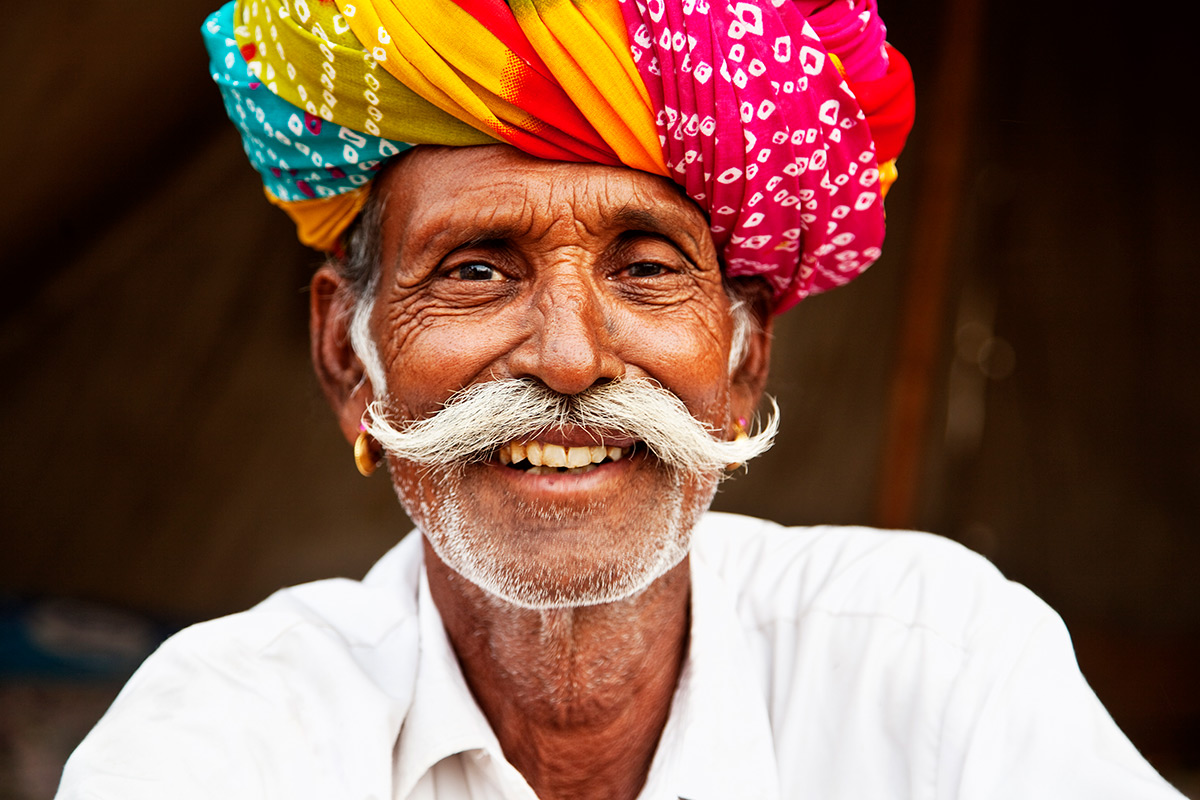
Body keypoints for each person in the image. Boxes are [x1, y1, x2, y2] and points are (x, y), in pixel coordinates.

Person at [57, 0, 1183, 798]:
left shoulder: (932, 662)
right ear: (349, 361)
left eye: (645, 267)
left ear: (743, 365)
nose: (569, 356)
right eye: (476, 269)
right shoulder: (229, 730)